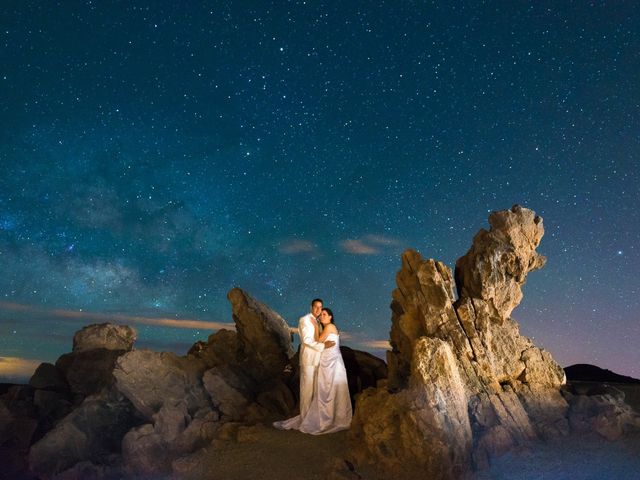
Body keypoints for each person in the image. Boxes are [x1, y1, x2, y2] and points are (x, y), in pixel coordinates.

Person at [274, 298, 335, 430]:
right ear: (311, 307)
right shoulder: (305, 320)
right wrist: (324, 346)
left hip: (319, 360)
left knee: (315, 392)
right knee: (307, 391)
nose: (319, 310)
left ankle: (313, 419)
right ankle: (305, 421)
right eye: (316, 307)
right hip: (309, 361)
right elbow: (307, 341)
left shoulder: (318, 321)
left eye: (320, 307)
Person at [298, 307, 352, 434]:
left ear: (330, 317)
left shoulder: (329, 327)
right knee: (329, 390)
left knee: (328, 390)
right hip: (329, 361)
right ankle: (333, 417)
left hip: (331, 363)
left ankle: (329, 419)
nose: (321, 316)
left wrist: (315, 326)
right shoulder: (328, 327)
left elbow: (318, 340)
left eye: (324, 314)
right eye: (321, 314)